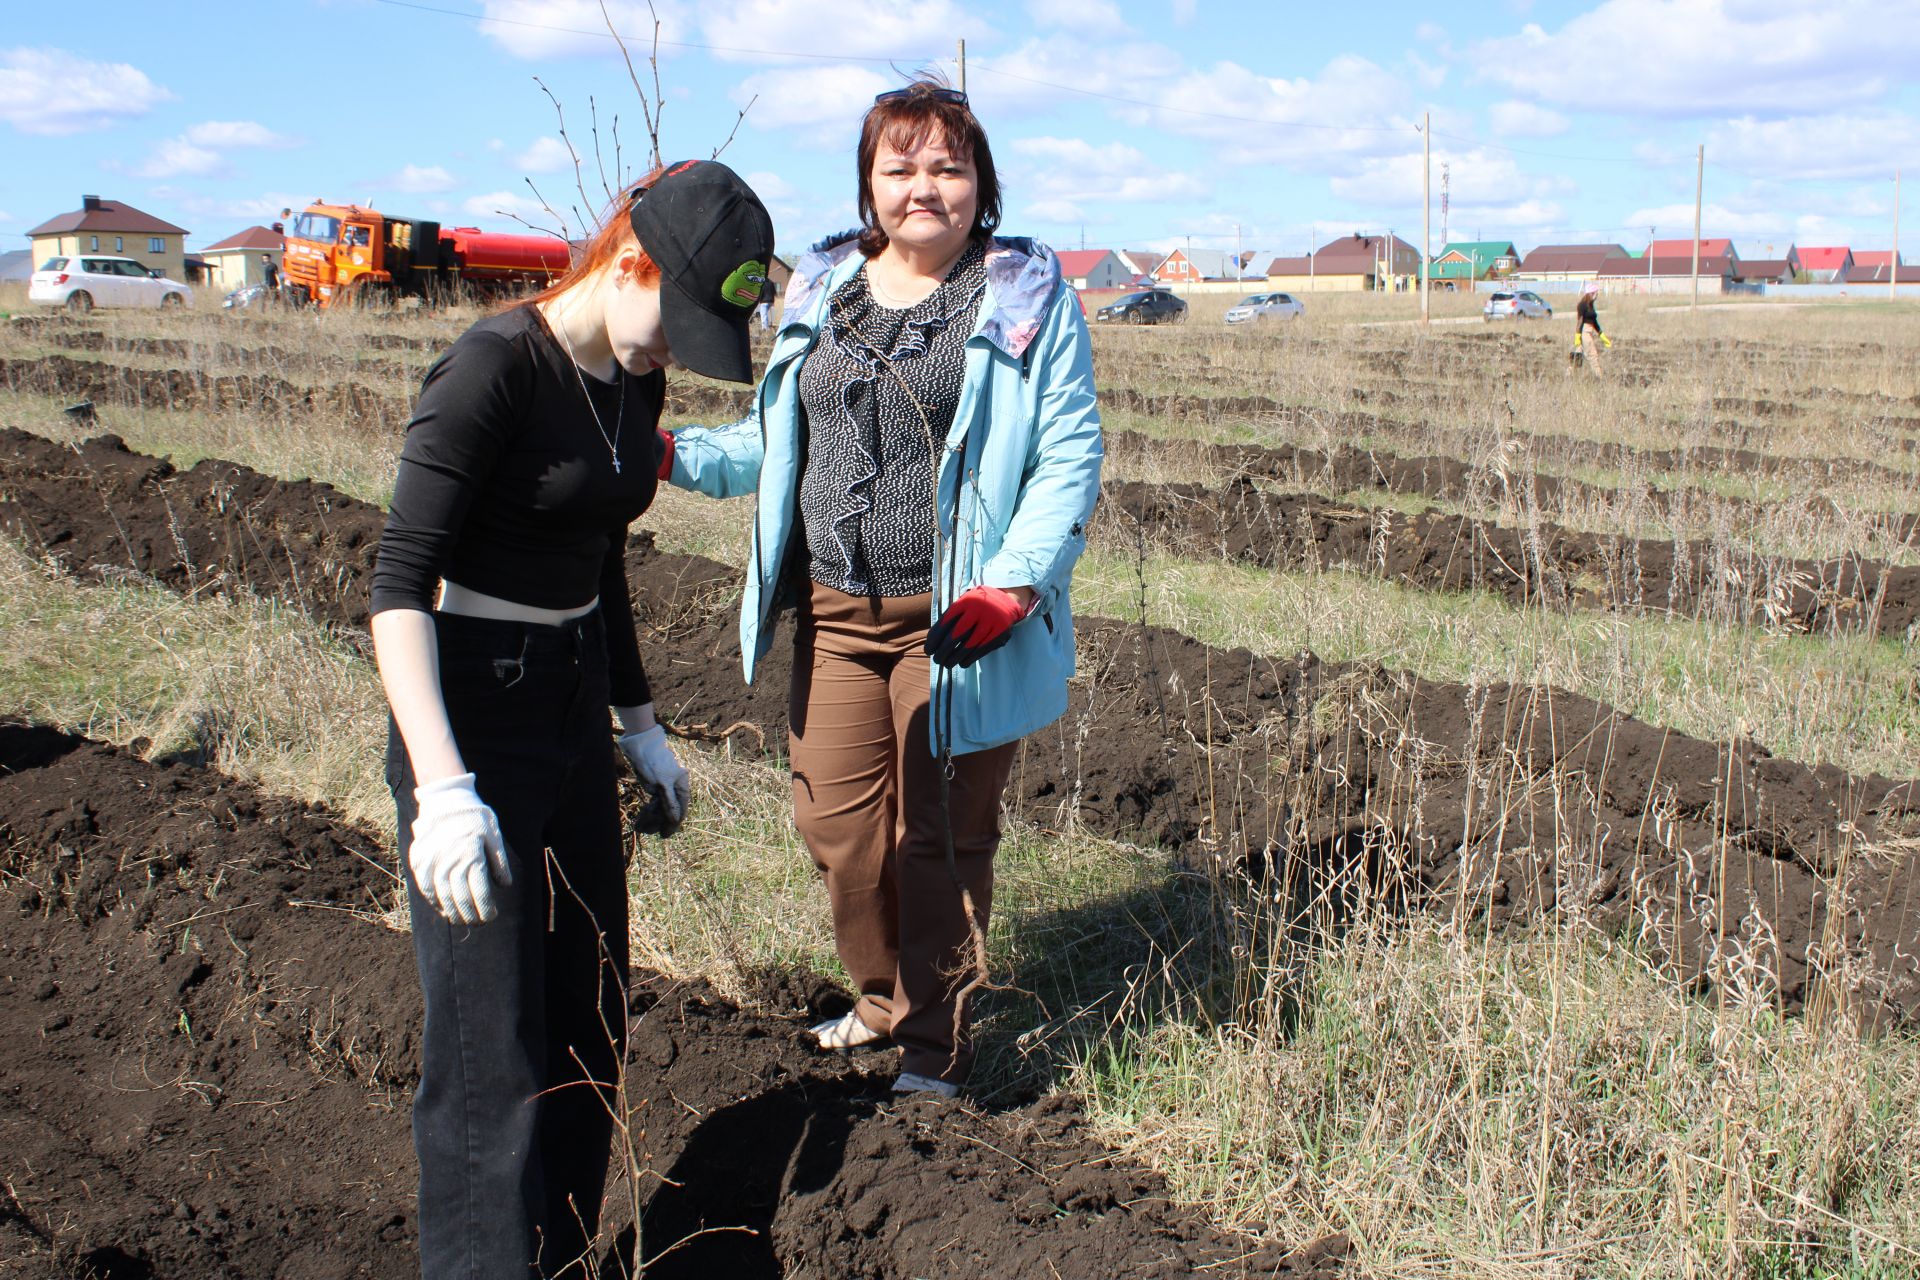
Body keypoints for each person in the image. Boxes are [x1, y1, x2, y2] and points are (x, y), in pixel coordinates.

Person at [369, 160, 774, 1279]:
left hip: (573, 693)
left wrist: (639, 722)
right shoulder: (494, 366)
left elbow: (604, 558)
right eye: (671, 323)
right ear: (629, 260)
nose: (670, 356)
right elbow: (399, 583)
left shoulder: (630, 383)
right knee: (487, 1045)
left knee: (591, 1007)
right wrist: (443, 787)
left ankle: (549, 1257)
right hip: (474, 711)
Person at [664, 81, 1104, 1098]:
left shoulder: (1025, 294)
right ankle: (878, 995)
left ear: (980, 182)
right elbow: (776, 440)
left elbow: (1067, 455)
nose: (924, 187)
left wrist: (1015, 586)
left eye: (948, 166)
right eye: (900, 167)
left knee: (938, 839)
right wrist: (668, 454)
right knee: (841, 834)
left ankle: (933, 1045)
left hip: (955, 622)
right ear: (869, 183)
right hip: (833, 611)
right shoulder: (820, 289)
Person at [1574, 281, 1610, 374]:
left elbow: (1594, 321)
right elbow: (1580, 321)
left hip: (1589, 331)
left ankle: (1569, 374)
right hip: (1584, 332)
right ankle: (1599, 377)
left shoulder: (1591, 305)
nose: (1597, 296)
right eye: (1596, 294)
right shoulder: (1582, 305)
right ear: (1590, 293)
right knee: (1592, 355)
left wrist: (1601, 335)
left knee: (1578, 356)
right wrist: (1577, 336)